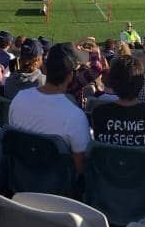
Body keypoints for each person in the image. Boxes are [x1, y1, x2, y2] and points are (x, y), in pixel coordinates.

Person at [9, 43, 92, 173]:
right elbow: (81, 168)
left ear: (45, 69)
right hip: (58, 190)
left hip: (20, 182)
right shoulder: (75, 116)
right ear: (70, 76)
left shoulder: (19, 98)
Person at [91, 56, 145, 154]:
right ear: (143, 82)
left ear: (111, 83)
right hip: (144, 168)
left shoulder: (99, 113)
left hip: (109, 168)